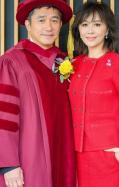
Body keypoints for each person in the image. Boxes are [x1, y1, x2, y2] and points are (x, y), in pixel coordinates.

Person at [0, 0, 76, 187]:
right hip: (29, 159)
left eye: (54, 20)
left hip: (64, 153)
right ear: (28, 24)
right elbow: (4, 116)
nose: (48, 27)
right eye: (41, 20)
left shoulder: (64, 62)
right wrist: (9, 164)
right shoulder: (12, 61)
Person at [69, 2, 119, 187]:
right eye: (84, 25)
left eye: (97, 24)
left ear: (107, 29)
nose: (90, 31)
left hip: (106, 153)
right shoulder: (73, 66)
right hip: (73, 153)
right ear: (78, 30)